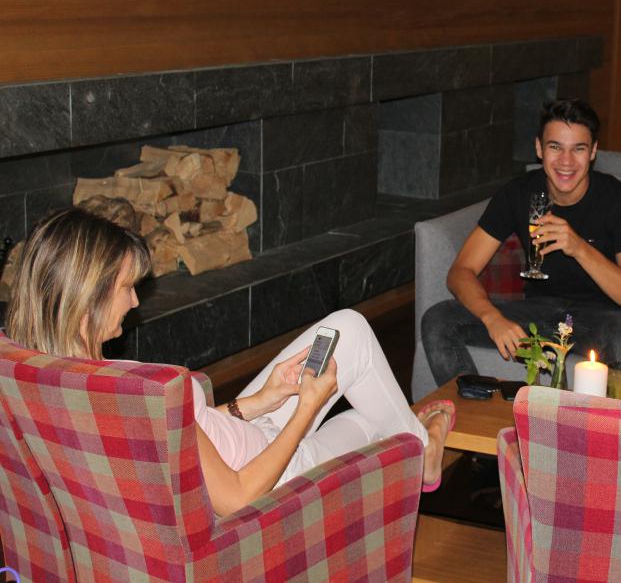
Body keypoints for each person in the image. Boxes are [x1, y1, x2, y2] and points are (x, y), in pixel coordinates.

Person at [2, 207, 454, 517]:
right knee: (375, 421)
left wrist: (260, 401)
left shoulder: (47, 374)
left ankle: (419, 443)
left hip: (241, 440)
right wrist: (307, 408)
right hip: (273, 472)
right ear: (90, 296)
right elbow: (236, 499)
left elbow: (180, 436)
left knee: (346, 328)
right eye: (126, 288)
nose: (135, 301)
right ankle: (426, 455)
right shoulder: (137, 393)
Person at [421, 98, 621, 386]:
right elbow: (460, 272)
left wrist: (579, 248)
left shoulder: (619, 200)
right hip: (538, 314)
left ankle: (586, 415)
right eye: (555, 147)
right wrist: (492, 318)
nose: (566, 161)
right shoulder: (518, 194)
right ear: (539, 149)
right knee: (439, 319)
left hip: (601, 319)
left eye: (578, 149)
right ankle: (474, 404)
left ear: (593, 151)